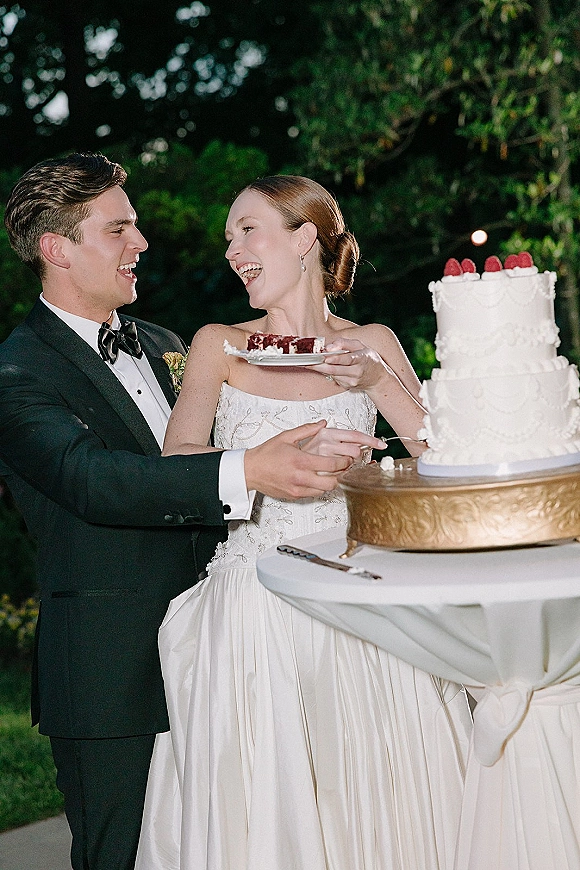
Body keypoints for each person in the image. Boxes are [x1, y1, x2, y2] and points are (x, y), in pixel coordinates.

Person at [0, 155, 384, 870]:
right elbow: (94, 482)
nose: (141, 243)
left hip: (226, 650)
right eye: (119, 230)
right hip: (114, 676)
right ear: (58, 249)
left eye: (137, 226)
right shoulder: (18, 373)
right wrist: (251, 469)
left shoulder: (167, 345)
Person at [135, 175, 472, 870]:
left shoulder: (372, 341)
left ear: (304, 238)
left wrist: (378, 383)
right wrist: (261, 460)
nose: (232, 249)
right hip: (255, 604)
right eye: (228, 237)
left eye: (246, 229)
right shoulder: (218, 344)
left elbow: (448, 462)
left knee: (376, 791)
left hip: (362, 597)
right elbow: (178, 460)